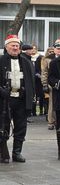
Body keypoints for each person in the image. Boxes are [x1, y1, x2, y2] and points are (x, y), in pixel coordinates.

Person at [0, 35, 35, 163]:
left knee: (21, 126)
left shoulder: (26, 61)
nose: (15, 48)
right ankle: (3, 152)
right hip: (5, 100)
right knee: (3, 125)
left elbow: (31, 81)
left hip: (21, 99)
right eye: (12, 45)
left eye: (17, 46)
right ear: (6, 46)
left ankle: (17, 152)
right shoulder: (1, 60)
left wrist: (30, 96)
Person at [41, 42, 60, 130]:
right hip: (52, 84)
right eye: (58, 49)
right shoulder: (48, 59)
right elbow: (44, 73)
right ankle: (51, 122)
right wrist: (44, 84)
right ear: (54, 49)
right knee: (52, 104)